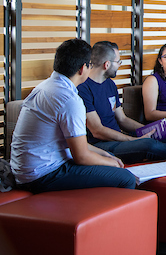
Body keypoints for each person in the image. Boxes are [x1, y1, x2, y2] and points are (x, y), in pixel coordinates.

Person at [10, 39, 136, 193]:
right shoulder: (69, 99)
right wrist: (112, 164)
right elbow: (81, 157)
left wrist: (105, 155)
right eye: (90, 65)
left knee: (108, 158)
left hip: (27, 172)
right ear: (83, 68)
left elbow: (75, 144)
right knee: (126, 178)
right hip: (43, 175)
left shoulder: (46, 86)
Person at [78, 41, 166, 164]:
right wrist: (132, 140)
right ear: (107, 65)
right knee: (148, 145)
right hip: (101, 145)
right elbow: (97, 131)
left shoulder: (110, 84)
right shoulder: (83, 88)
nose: (120, 65)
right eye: (118, 62)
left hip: (118, 138)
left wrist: (148, 130)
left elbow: (122, 119)